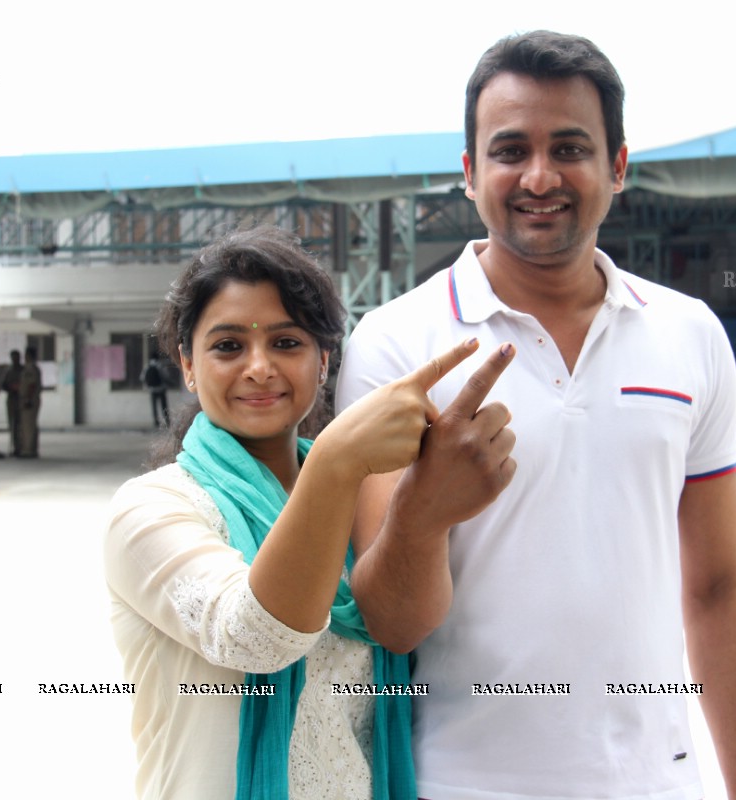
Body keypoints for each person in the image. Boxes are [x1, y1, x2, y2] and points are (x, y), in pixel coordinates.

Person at [337, 31, 736, 800]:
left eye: (570, 147)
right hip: (460, 782)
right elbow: (391, 623)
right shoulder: (398, 344)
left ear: (618, 166)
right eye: (509, 151)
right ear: (469, 175)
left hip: (654, 782)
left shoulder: (689, 333)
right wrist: (422, 512)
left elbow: (719, 589)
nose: (540, 176)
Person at [103, 225, 510, 800]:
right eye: (227, 346)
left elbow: (404, 630)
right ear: (187, 365)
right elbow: (254, 638)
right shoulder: (151, 510)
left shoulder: (360, 502)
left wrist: (422, 507)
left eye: (286, 343)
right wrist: (337, 461)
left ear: (324, 362)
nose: (260, 367)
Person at [17, 346, 41, 458]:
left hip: (29, 399)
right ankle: (31, 449)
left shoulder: (30, 369)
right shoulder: (31, 368)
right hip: (30, 398)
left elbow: (32, 385)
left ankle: (28, 450)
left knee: (28, 426)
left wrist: (28, 399)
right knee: (29, 425)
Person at [1, 349, 24, 456]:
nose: (15, 360)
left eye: (17, 357)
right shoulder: (9, 371)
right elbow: (3, 385)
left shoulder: (23, 370)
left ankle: (22, 447)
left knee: (22, 425)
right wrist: (11, 387)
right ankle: (15, 447)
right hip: (12, 399)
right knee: (13, 425)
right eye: (13, 357)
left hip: (21, 399)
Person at [143, 353, 170, 427]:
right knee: (164, 406)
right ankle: (167, 421)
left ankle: (156, 422)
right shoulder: (160, 365)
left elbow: (142, 377)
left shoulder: (147, 366)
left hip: (152, 390)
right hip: (161, 389)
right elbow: (166, 376)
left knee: (154, 406)